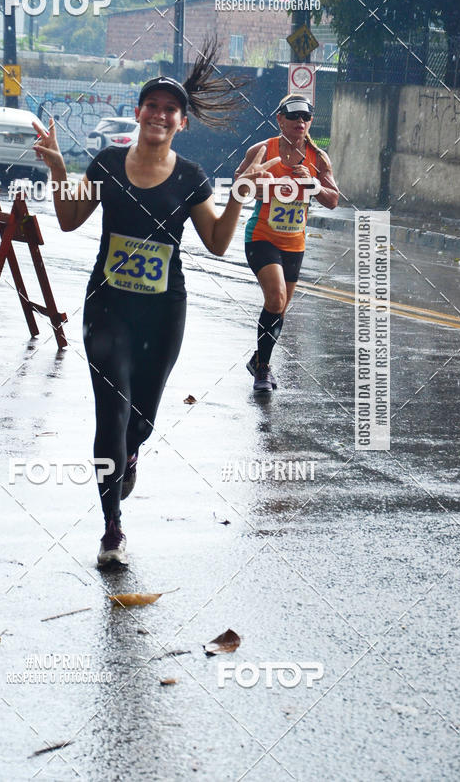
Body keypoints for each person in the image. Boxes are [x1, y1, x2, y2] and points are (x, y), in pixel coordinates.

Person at [33, 47, 277, 566]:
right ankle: (112, 529)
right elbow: (70, 220)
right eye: (153, 106)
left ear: (181, 122)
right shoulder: (105, 163)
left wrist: (241, 193)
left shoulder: (190, 176)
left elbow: (215, 241)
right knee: (111, 413)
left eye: (171, 109)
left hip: (164, 311)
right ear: (139, 113)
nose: (160, 115)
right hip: (108, 309)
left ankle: (134, 451)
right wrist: (57, 166)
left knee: (139, 421)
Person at [234, 94, 340, 394]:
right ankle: (264, 371)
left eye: (306, 117)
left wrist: (313, 183)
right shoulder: (263, 149)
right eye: (293, 117)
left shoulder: (318, 158)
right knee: (277, 297)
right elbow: (239, 187)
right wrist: (256, 182)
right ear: (280, 119)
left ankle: (259, 358)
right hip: (262, 237)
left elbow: (333, 200)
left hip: (294, 243)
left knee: (278, 310)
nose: (300, 122)